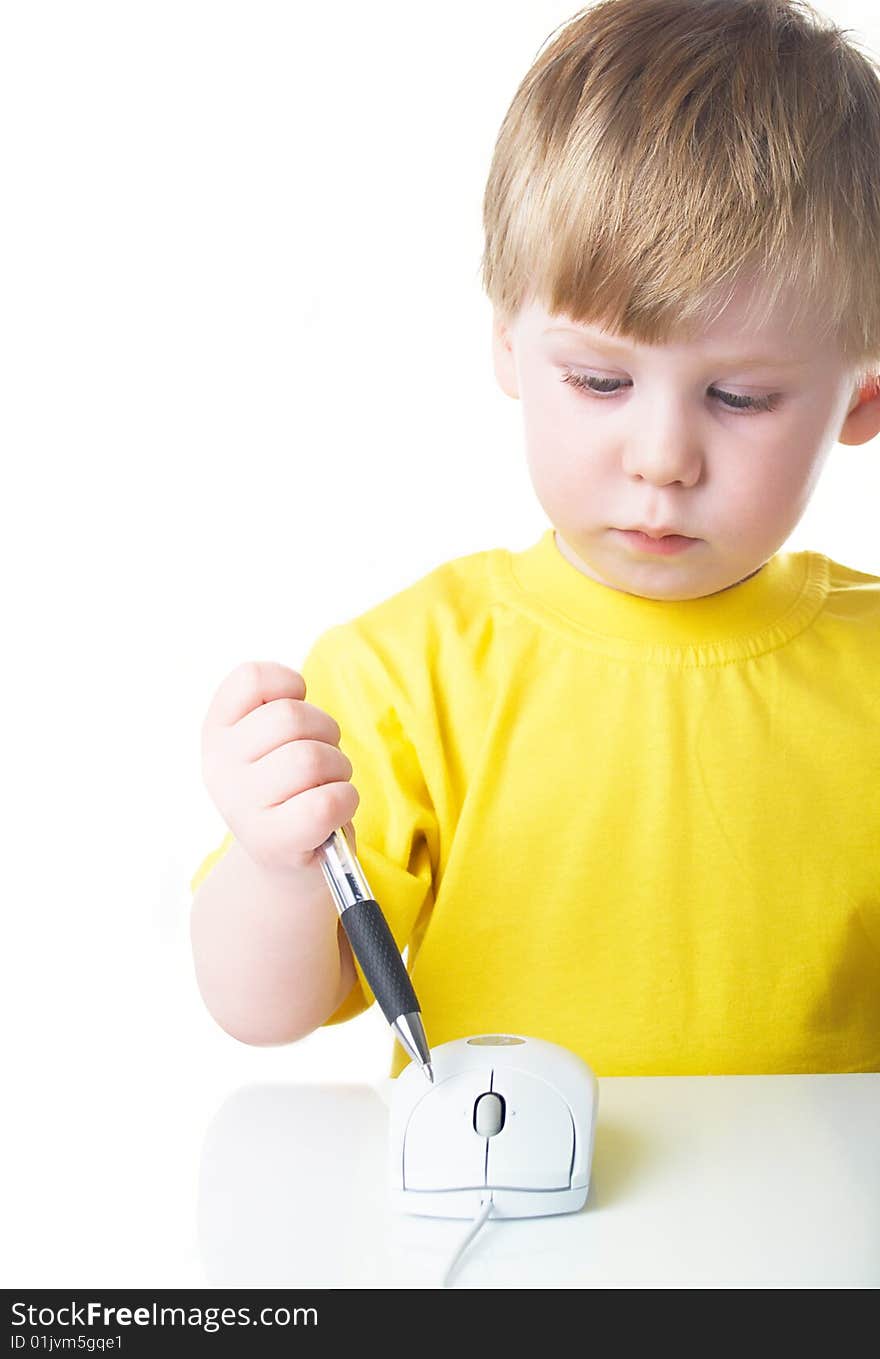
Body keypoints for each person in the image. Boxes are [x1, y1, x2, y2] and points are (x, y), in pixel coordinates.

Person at [190, 0, 880, 1077]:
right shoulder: (409, 671)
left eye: (739, 397)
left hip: (822, 1238)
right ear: (508, 344)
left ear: (862, 395)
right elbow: (264, 1008)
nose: (661, 456)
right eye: (600, 380)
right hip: (499, 1235)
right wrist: (277, 866)